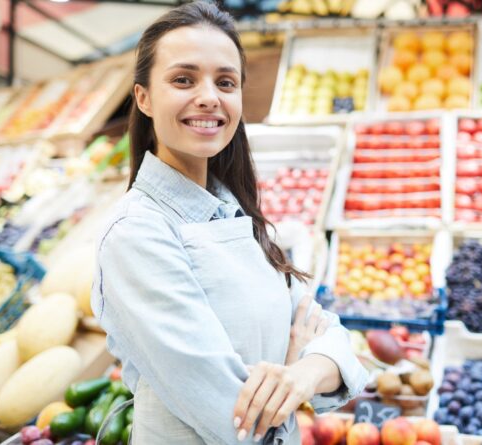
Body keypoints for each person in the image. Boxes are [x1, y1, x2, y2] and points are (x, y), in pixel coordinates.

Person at [91, 3, 367, 444]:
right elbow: (235, 420)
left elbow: (332, 336)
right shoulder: (136, 234)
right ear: (142, 97)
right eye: (184, 79)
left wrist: (302, 375)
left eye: (225, 82)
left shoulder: (235, 211)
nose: (209, 97)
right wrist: (298, 366)